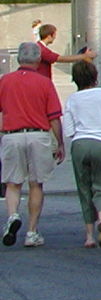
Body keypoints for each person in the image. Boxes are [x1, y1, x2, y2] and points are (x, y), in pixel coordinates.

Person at [1, 41, 65, 248]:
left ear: (18, 59)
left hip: (12, 135)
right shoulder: (45, 83)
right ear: (38, 60)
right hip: (38, 136)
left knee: (12, 183)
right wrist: (60, 143)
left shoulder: (5, 81)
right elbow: (54, 118)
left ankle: (12, 216)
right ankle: (32, 231)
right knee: (36, 183)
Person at [62, 59, 101, 249]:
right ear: (95, 76)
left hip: (80, 143)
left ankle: (89, 236)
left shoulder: (72, 99)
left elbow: (69, 130)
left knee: (84, 188)